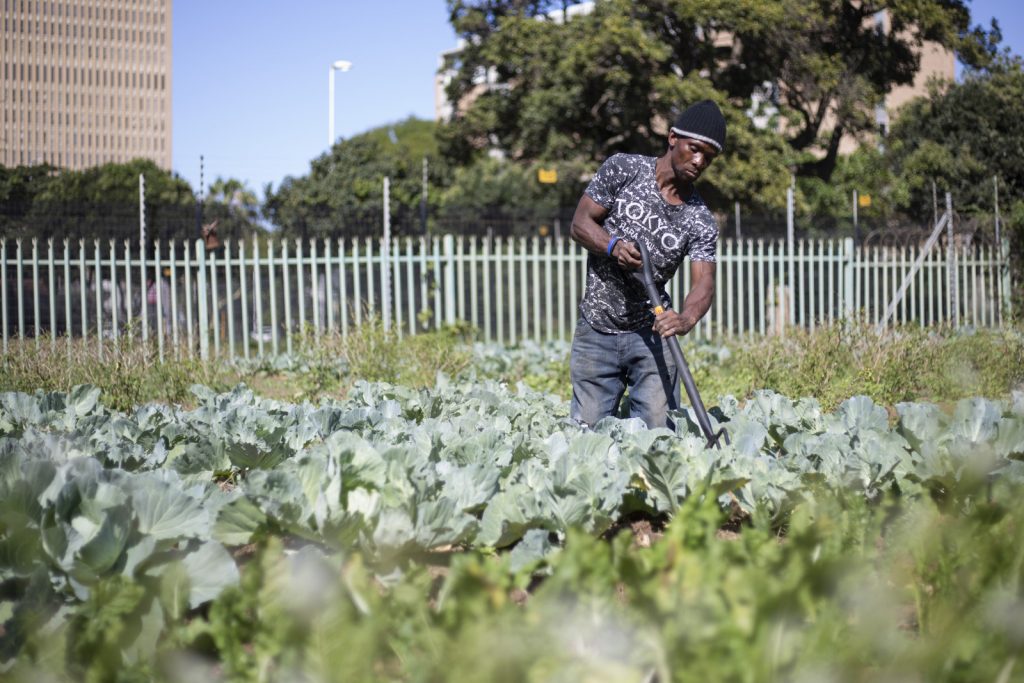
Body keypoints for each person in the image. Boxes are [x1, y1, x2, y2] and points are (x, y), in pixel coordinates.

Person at [568, 99, 725, 429]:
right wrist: (613, 247)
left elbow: (704, 283)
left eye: (708, 158)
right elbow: (580, 224)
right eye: (694, 149)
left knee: (659, 438)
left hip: (653, 334)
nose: (698, 161)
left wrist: (685, 318)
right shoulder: (623, 169)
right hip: (597, 327)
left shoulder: (700, 219)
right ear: (672, 139)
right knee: (588, 438)